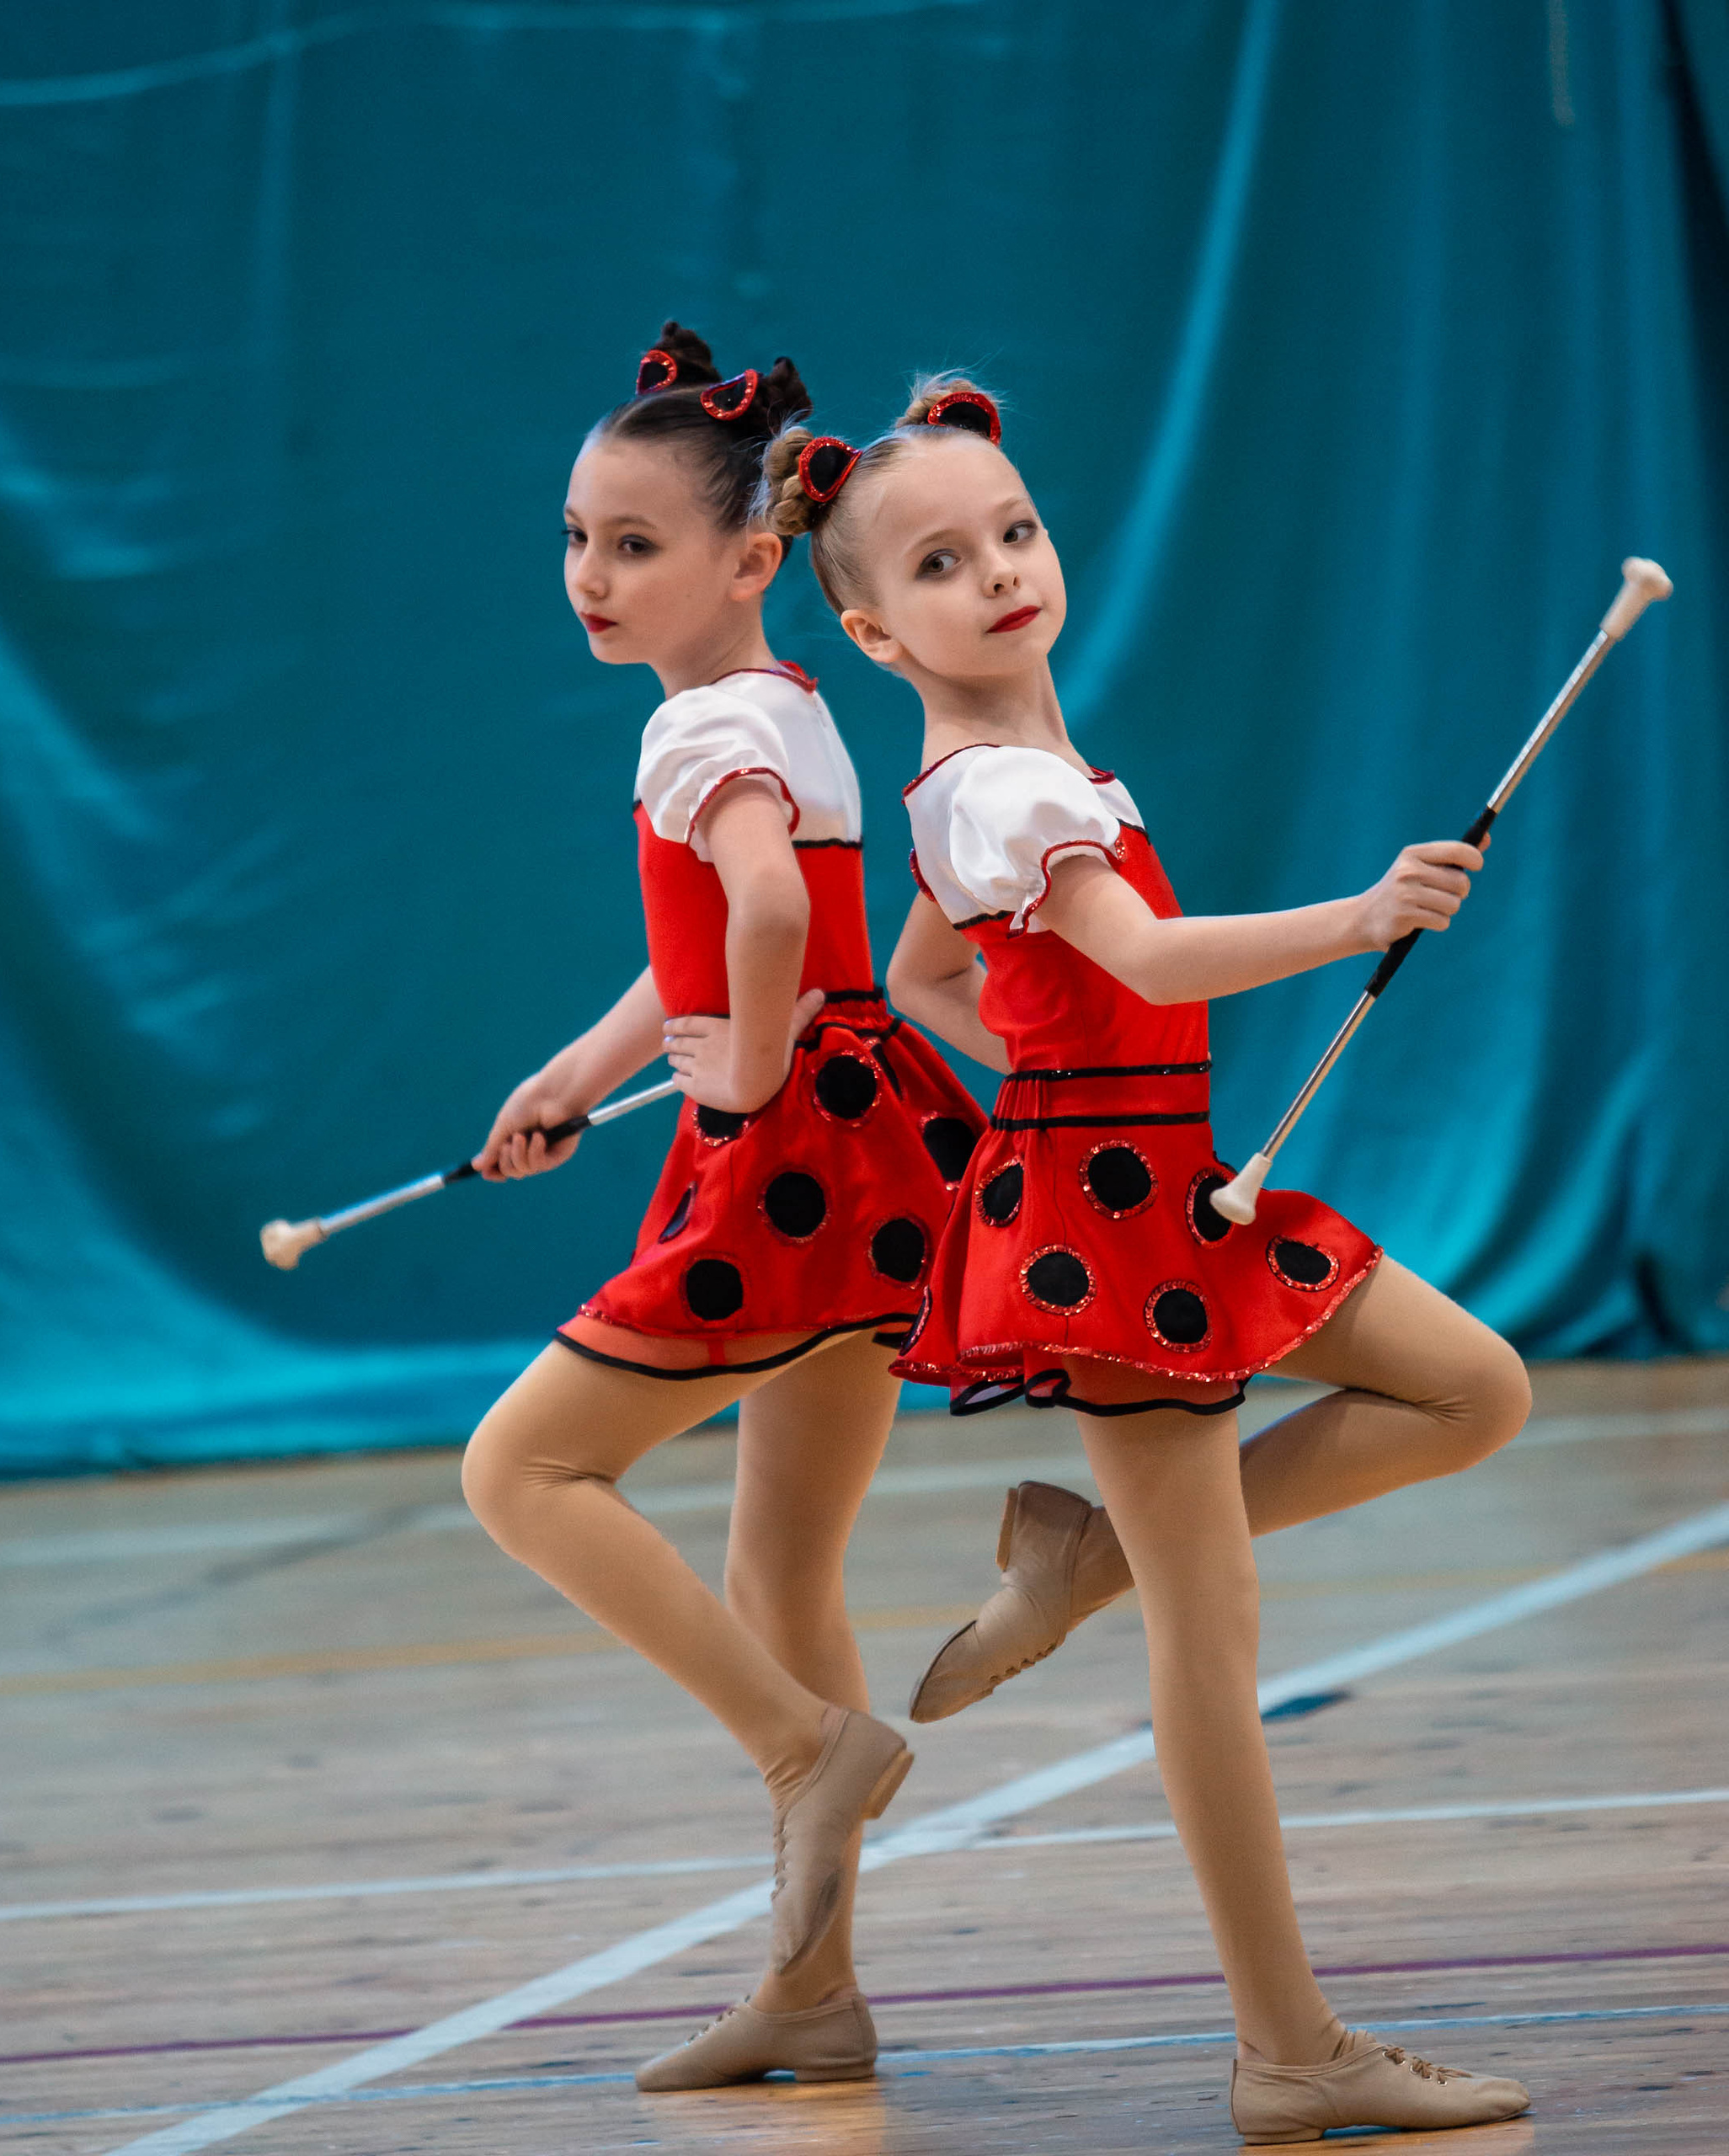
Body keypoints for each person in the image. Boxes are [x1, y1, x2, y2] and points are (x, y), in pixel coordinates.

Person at [764, 377, 1533, 2142]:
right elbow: (1152, 956)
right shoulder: (1004, 794)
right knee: (1216, 1633)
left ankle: (1081, 1559)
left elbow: (928, 983)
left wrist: (1052, 1083)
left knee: (1470, 1387)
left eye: (1014, 530)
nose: (1000, 570)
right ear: (877, 630)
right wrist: (1356, 914)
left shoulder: (1015, 778)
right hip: (1104, 1228)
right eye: (942, 562)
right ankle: (1287, 2047)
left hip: (1150, 1180)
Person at [458, 325, 986, 2093]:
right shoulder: (782, 711)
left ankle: (798, 1746)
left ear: (750, 559)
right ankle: (814, 1989)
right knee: (780, 1562)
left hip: (784, 1155)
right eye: (576, 539)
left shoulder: (699, 727)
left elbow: (760, 926)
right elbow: (719, 928)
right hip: (868, 1146)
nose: (590, 577)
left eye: (634, 544)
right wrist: (582, 1064)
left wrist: (738, 1085)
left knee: (516, 1469)